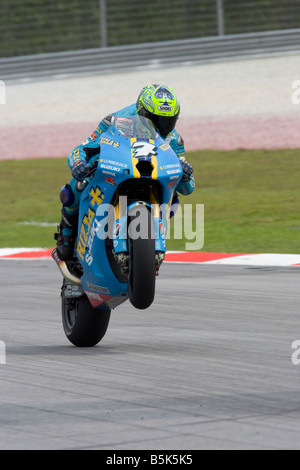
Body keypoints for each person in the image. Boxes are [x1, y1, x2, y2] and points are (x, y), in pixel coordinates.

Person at [55, 84, 195, 260]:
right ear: (142, 112)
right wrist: (78, 163)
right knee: (78, 184)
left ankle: (153, 236)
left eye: (168, 120)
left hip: (151, 178)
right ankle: (66, 231)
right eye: (156, 119)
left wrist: (186, 175)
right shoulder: (114, 120)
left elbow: (188, 188)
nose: (163, 126)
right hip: (120, 168)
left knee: (174, 200)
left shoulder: (174, 139)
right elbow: (83, 148)